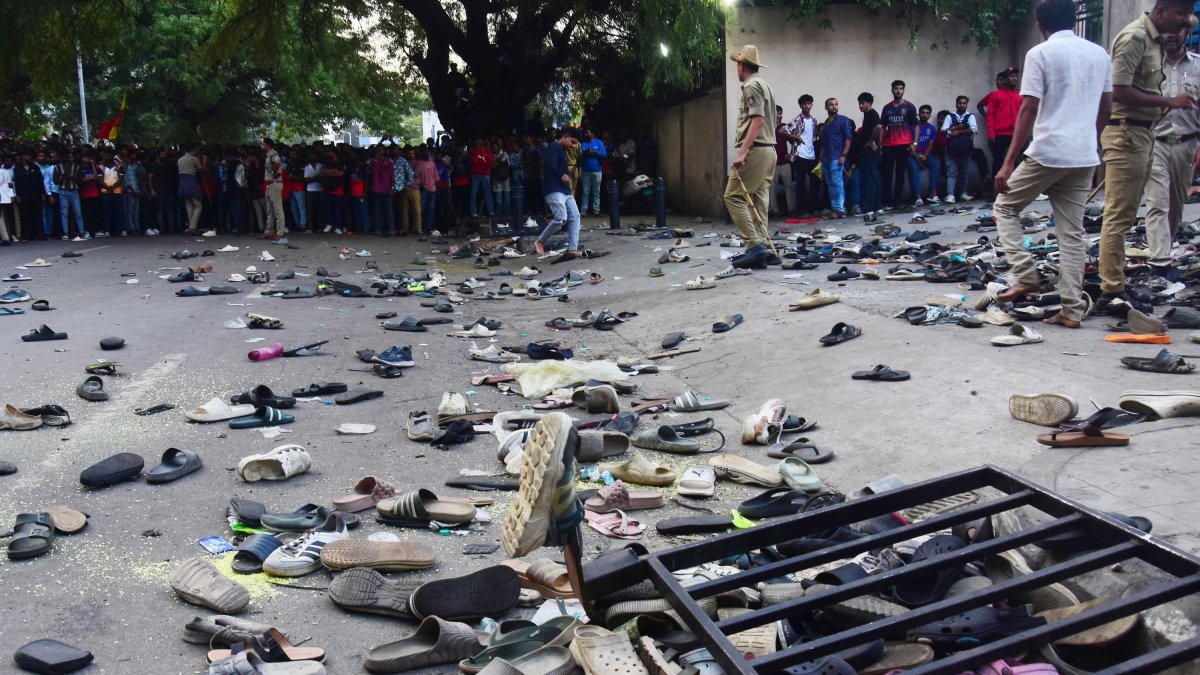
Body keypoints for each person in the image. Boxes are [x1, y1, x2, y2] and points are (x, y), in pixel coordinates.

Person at [992, 0, 1112, 329]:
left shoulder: (1040, 54)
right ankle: (1071, 310)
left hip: (1048, 152)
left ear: (1041, 25)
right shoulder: (1099, 54)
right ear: (1073, 19)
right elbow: (1107, 109)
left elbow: (1028, 109)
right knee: (1071, 234)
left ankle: (1024, 274)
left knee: (1005, 206)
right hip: (1083, 155)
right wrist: (1090, 140)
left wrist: (1008, 162)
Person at [1099, 0, 1197, 303]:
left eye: (1187, 17)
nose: (1185, 21)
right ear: (1161, 11)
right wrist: (1168, 102)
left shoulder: (1154, 42)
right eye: (1181, 14)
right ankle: (1113, 288)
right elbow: (1118, 89)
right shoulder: (1136, 37)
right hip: (1131, 134)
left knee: (1135, 213)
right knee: (1127, 213)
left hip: (1154, 136)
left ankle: (1117, 283)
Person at [1146, 25, 1200, 272]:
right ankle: (1160, 261)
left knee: (1175, 206)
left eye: (1179, 30)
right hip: (1155, 142)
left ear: (1187, 33)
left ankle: (1165, 249)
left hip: (1187, 144)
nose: (1172, 34)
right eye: (1169, 30)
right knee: (1157, 202)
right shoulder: (1150, 65)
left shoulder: (1198, 66)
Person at [722, 45, 777, 269]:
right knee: (759, 200)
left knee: (733, 196)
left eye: (737, 65)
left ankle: (754, 246)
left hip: (757, 149)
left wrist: (743, 151)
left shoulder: (751, 85)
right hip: (769, 150)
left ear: (741, 65)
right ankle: (764, 247)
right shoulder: (765, 85)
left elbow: (757, 120)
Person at [535, 127, 583, 256]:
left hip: (565, 190)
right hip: (553, 188)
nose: (573, 146)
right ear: (565, 137)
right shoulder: (553, 146)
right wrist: (561, 174)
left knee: (575, 216)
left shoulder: (562, 149)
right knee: (561, 217)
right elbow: (548, 163)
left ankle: (573, 249)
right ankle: (540, 241)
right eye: (572, 142)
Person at [880, 80, 919, 208]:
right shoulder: (887, 108)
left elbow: (916, 125)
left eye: (901, 88)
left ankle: (898, 201)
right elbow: (882, 127)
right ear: (892, 90)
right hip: (888, 145)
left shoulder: (910, 107)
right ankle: (888, 202)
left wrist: (914, 143)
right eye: (896, 88)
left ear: (903, 90)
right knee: (887, 174)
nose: (898, 91)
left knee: (900, 174)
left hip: (904, 145)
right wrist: (880, 144)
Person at [979, 68, 1023, 179]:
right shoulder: (996, 95)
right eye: (1011, 76)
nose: (1014, 78)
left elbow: (1023, 116)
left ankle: (1012, 186)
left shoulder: (1019, 96)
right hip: (1000, 134)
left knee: (1015, 162)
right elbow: (990, 116)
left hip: (1014, 135)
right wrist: (991, 134)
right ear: (1005, 79)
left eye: (1015, 76)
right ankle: (995, 187)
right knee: (998, 163)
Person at [818, 98, 854, 219]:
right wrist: (820, 159)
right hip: (827, 158)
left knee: (837, 182)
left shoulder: (843, 120)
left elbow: (848, 138)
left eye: (836, 104)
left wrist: (844, 155)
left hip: (837, 157)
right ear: (826, 107)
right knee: (830, 184)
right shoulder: (826, 123)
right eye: (831, 105)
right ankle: (835, 208)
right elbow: (824, 143)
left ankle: (840, 209)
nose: (834, 106)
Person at [786, 95, 819, 216]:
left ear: (811, 105)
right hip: (800, 154)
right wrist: (795, 138)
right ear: (800, 105)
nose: (807, 106)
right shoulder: (797, 119)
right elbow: (783, 131)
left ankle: (812, 208)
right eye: (804, 104)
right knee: (800, 182)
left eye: (809, 103)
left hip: (811, 154)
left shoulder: (814, 120)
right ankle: (800, 210)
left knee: (815, 181)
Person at [942, 96, 978, 203]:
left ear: (966, 105)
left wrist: (958, 132)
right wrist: (956, 129)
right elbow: (944, 130)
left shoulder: (970, 116)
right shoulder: (950, 116)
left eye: (964, 103)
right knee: (951, 172)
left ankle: (963, 194)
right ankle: (950, 195)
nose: (962, 105)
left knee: (964, 172)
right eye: (960, 103)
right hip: (951, 149)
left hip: (965, 149)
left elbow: (974, 129)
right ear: (956, 103)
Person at [857, 92, 883, 221]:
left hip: (870, 151)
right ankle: (878, 206)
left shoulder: (872, 114)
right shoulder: (867, 115)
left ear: (869, 103)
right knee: (874, 177)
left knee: (869, 179)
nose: (861, 106)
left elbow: (879, 127)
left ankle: (868, 208)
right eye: (859, 103)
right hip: (872, 151)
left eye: (863, 103)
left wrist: (871, 140)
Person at [908, 105, 940, 205]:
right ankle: (918, 197)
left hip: (924, 153)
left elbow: (930, 144)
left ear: (930, 115)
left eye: (927, 113)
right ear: (919, 114)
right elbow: (911, 147)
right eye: (923, 112)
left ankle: (933, 193)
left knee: (935, 165)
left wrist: (925, 156)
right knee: (914, 168)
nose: (925, 115)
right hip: (912, 154)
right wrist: (919, 161)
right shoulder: (912, 127)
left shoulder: (932, 128)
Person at [770, 105, 794, 216]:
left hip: (784, 161)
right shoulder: (767, 128)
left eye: (780, 113)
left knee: (789, 186)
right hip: (772, 163)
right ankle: (775, 211)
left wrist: (791, 155)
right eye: (778, 113)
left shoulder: (785, 127)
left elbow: (793, 142)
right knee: (772, 188)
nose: (780, 116)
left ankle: (791, 209)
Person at [177, 143, 204, 234]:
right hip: (191, 182)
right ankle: (193, 226)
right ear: (193, 149)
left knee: (188, 206)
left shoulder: (180, 160)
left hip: (182, 183)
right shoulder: (194, 159)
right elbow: (201, 169)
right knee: (198, 205)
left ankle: (190, 225)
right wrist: (204, 161)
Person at [262, 138, 286, 238]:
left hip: (275, 183)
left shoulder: (273, 154)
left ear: (267, 145)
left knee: (277, 209)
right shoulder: (268, 155)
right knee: (270, 211)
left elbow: (278, 162)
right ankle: (269, 231)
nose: (262, 146)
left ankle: (280, 232)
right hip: (270, 184)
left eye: (263, 144)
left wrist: (273, 172)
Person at [469, 137, 494, 218]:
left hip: (485, 174)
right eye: (477, 143)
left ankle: (490, 211)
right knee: (473, 194)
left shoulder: (488, 151)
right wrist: (477, 152)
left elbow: (490, 163)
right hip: (476, 174)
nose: (478, 144)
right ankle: (474, 212)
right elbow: (474, 162)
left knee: (488, 193)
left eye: (479, 143)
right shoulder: (474, 152)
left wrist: (481, 163)